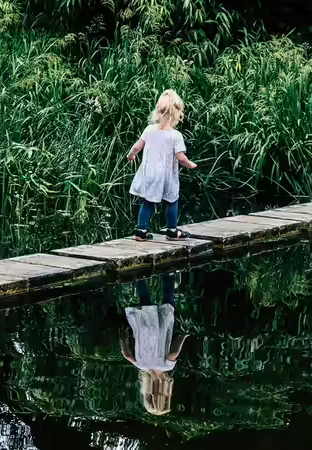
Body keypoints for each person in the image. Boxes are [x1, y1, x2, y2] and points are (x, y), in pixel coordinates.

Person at [127, 89, 197, 241]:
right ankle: (172, 230)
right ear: (176, 114)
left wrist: (131, 155)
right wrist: (190, 164)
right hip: (166, 176)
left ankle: (141, 230)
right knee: (172, 200)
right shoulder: (175, 136)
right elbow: (181, 157)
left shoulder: (149, 130)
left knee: (148, 202)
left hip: (149, 173)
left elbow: (137, 147)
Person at [121, 274, 187, 416]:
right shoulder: (141, 365)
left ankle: (168, 274)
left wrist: (183, 336)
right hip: (145, 327)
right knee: (144, 297)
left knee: (168, 300)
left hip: (161, 328)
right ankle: (139, 275)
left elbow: (173, 353)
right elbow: (126, 354)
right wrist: (124, 337)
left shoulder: (167, 366)